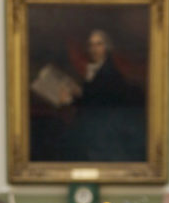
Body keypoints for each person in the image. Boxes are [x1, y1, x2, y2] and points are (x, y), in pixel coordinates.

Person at [31, 29, 146, 163]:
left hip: (103, 130)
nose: (94, 48)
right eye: (91, 45)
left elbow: (98, 102)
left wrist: (70, 100)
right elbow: (93, 95)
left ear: (107, 47)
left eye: (99, 44)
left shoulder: (109, 71)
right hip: (96, 124)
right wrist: (79, 93)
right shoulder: (95, 68)